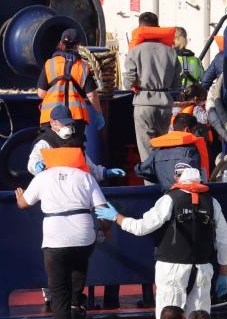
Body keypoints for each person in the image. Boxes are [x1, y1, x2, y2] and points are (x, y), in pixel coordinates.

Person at [94, 167, 227, 319]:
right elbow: (223, 240)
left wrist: (116, 217)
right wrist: (224, 274)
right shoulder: (212, 203)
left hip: (171, 270)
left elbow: (140, 228)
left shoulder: (169, 200)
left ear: (177, 178)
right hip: (202, 270)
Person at [14, 143, 109, 319]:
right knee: (79, 262)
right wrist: (106, 229)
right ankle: (77, 303)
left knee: (58, 292)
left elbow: (24, 203)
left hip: (55, 238)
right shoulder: (86, 177)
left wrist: (19, 195)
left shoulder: (43, 177)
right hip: (84, 234)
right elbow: (102, 208)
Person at [123, 12, 182, 175]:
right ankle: (164, 186)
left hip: (143, 104)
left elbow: (128, 83)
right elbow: (177, 84)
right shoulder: (171, 52)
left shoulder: (135, 51)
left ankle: (150, 189)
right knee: (162, 148)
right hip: (164, 105)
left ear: (140, 28)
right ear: (157, 27)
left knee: (146, 153)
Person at [28, 105, 125, 183]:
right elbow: (32, 162)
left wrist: (105, 173)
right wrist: (36, 165)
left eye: (69, 124)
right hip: (53, 189)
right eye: (64, 124)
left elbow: (89, 167)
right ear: (53, 123)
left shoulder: (75, 143)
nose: (68, 127)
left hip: (73, 188)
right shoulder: (45, 143)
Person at [37, 29, 103, 135]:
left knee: (50, 150)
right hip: (75, 119)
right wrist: (99, 114)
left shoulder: (49, 64)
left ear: (61, 43)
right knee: (73, 150)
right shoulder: (84, 67)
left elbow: (41, 93)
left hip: (50, 119)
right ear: (78, 46)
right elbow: (92, 96)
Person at [134, 113, 208, 191]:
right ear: (187, 130)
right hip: (188, 197)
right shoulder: (191, 150)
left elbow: (139, 170)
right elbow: (196, 176)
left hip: (167, 197)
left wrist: (160, 176)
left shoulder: (158, 151)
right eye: (194, 130)